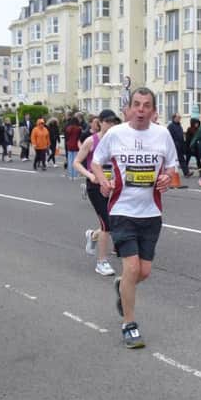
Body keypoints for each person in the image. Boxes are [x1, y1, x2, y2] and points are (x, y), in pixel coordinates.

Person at [91, 87, 177, 349]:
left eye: (146, 105)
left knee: (144, 272)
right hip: (122, 211)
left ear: (153, 110)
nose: (141, 109)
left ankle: (122, 286)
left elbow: (172, 168)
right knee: (131, 267)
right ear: (129, 108)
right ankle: (129, 325)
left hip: (151, 213)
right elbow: (96, 162)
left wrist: (166, 179)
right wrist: (104, 182)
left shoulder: (163, 134)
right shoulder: (116, 134)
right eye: (136, 104)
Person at [73, 110, 121, 276]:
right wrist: (91, 175)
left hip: (112, 185)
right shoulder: (90, 141)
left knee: (115, 221)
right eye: (108, 122)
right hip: (95, 186)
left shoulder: (117, 141)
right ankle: (101, 262)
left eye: (114, 122)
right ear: (100, 122)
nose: (111, 125)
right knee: (107, 223)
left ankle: (93, 235)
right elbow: (77, 162)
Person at [167, 113, 190, 177]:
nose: (180, 119)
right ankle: (170, 173)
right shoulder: (171, 126)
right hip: (174, 146)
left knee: (181, 159)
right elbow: (169, 137)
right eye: (178, 117)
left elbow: (181, 136)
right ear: (174, 118)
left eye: (180, 117)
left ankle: (186, 173)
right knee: (173, 160)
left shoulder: (179, 125)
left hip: (180, 145)